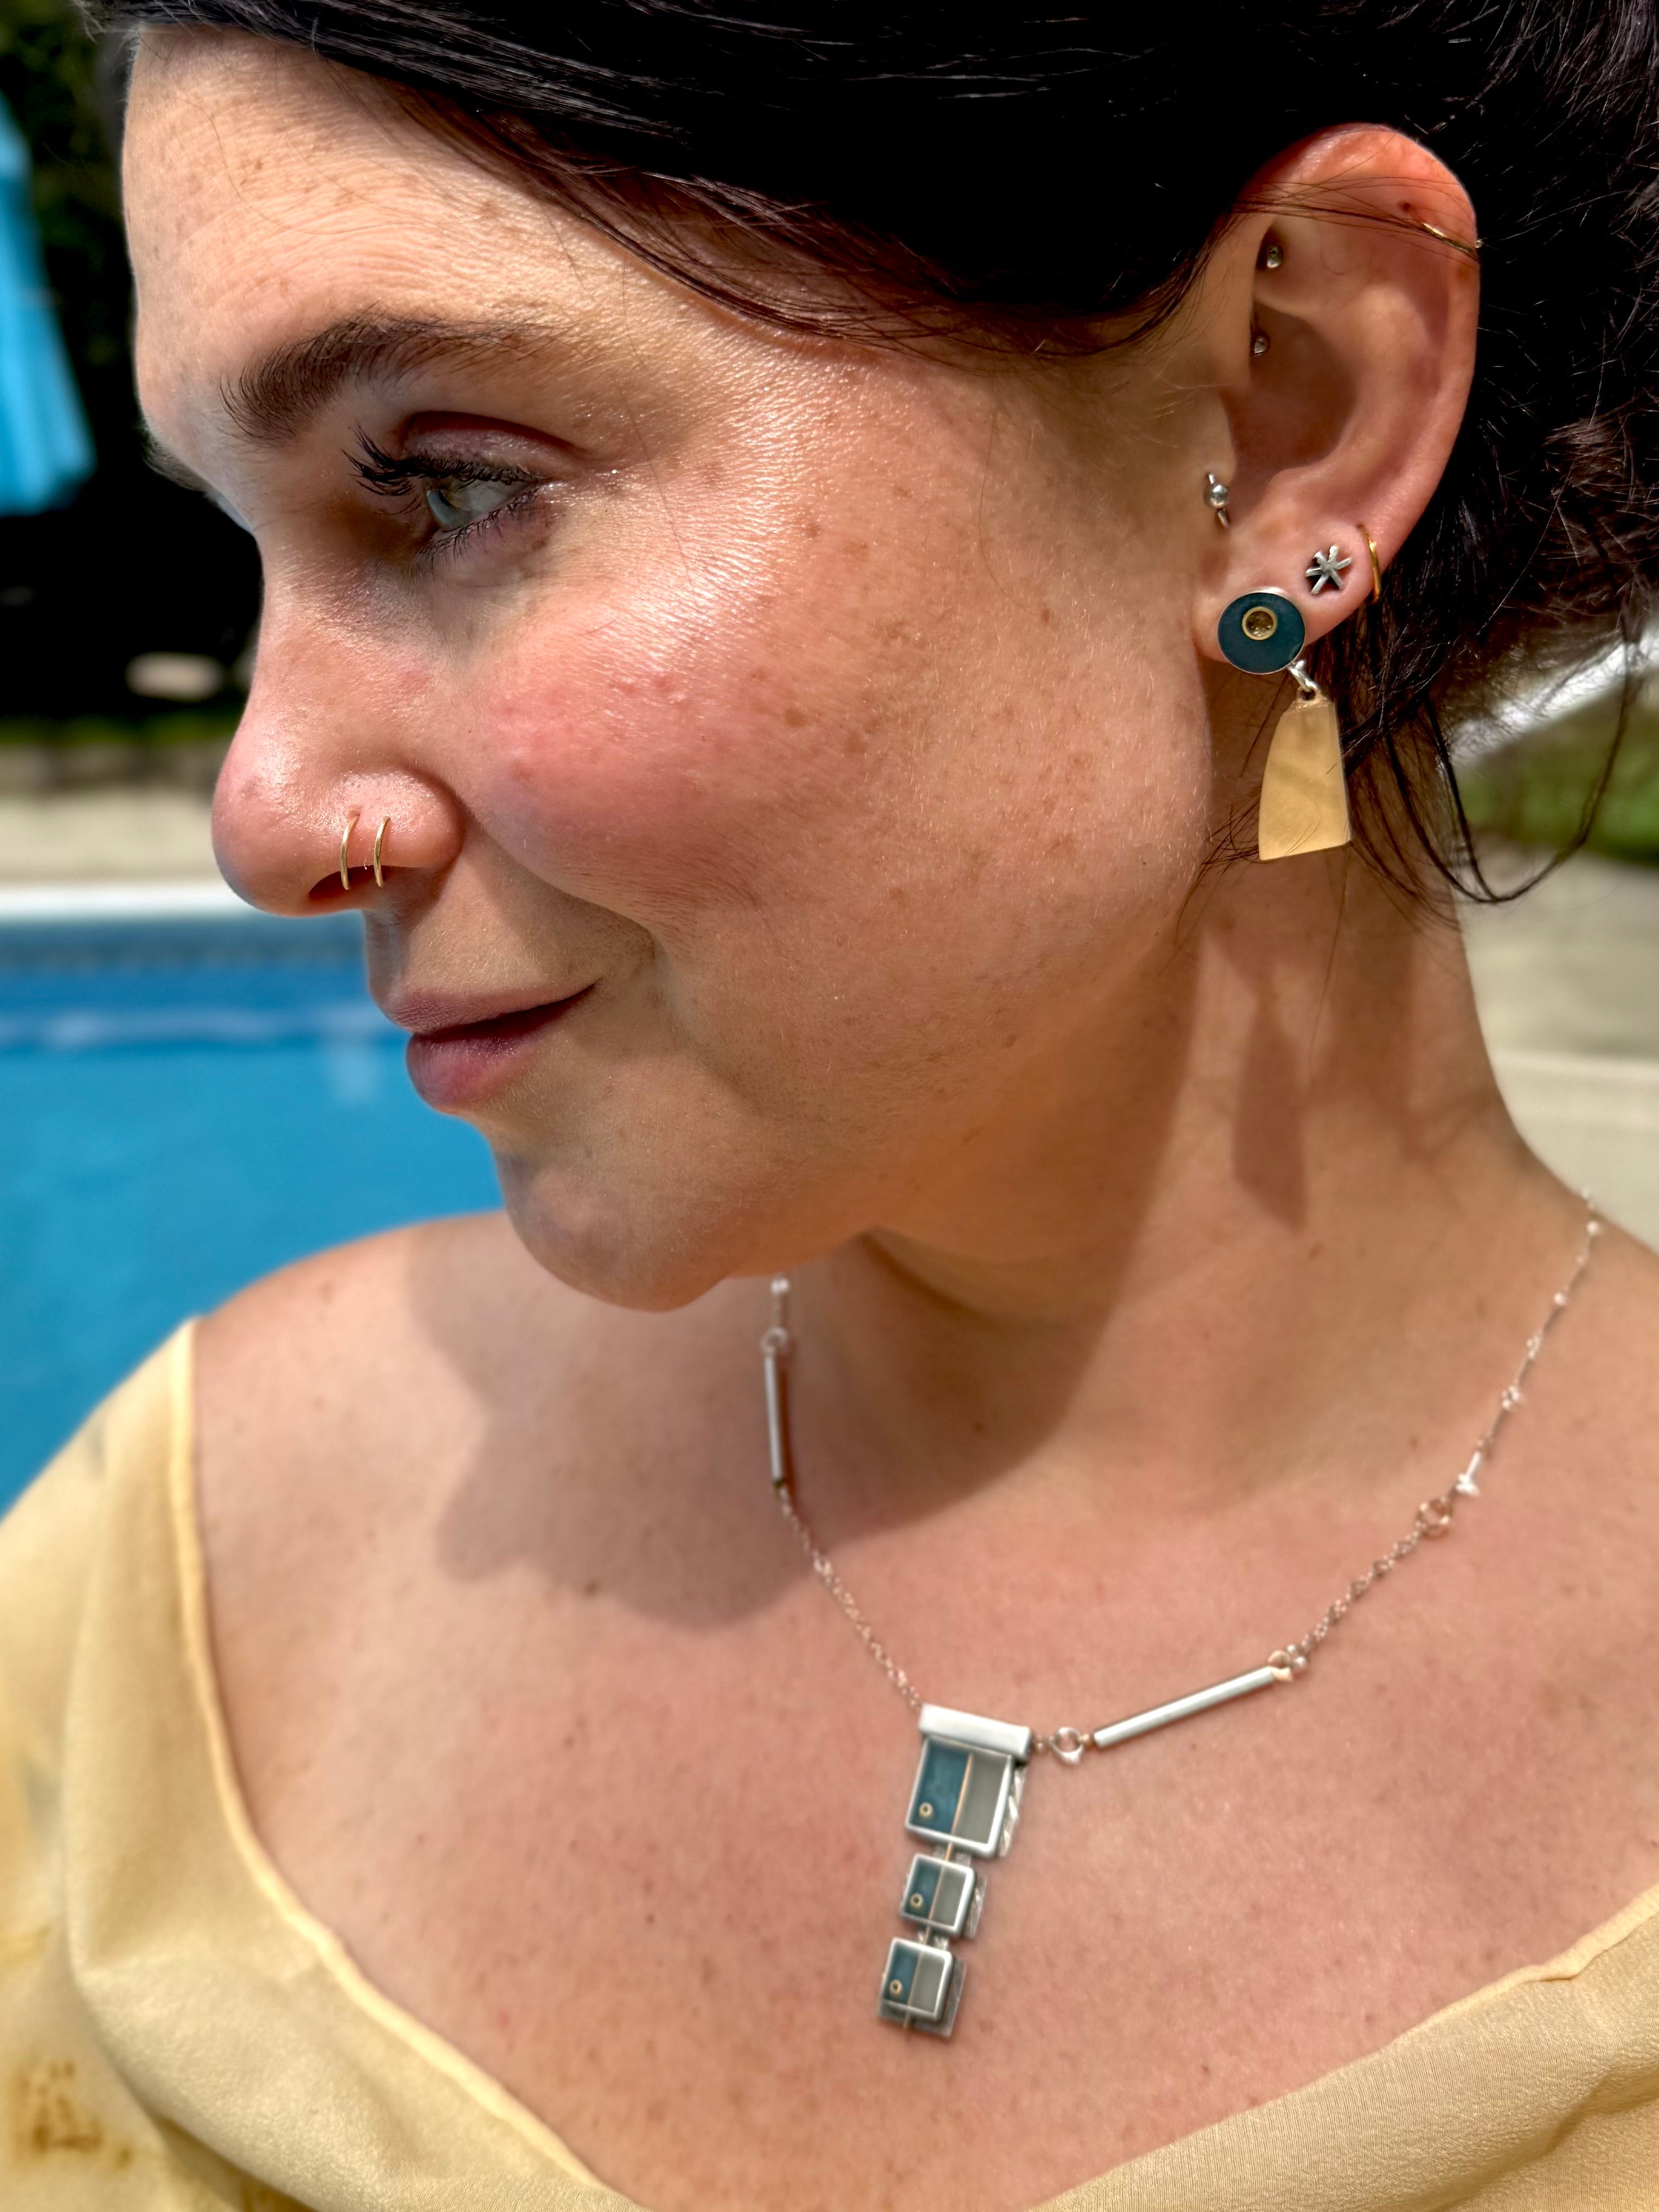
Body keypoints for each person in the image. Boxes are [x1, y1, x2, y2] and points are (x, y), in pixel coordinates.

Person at [5, 4, 1659, 2205]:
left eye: (450, 487)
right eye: (251, 550)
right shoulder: (171, 1586)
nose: (266, 809)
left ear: (1288, 418)